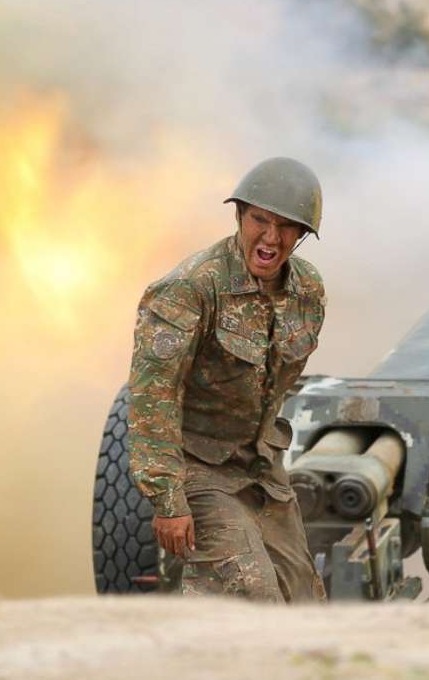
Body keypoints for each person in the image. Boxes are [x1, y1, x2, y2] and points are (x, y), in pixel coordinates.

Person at [127, 157, 327, 602]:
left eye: (287, 227)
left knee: (306, 603)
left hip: (260, 469)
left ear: (302, 235)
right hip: (197, 467)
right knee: (251, 597)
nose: (271, 238)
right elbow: (152, 397)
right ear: (240, 215)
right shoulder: (190, 289)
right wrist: (167, 501)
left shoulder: (307, 291)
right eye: (260, 219)